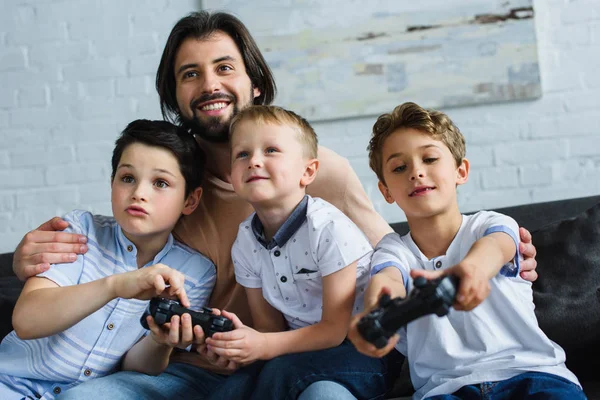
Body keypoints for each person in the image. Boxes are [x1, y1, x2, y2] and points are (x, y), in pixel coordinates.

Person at [11, 11, 539, 400]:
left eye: (224, 67)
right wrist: (27, 259)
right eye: (190, 74)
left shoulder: (313, 168)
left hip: (306, 354)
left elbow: (387, 250)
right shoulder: (172, 179)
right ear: (175, 97)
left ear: (255, 85)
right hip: (194, 363)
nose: (210, 84)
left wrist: (490, 251)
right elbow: (119, 238)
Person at [347, 102, 585, 399]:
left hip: (534, 375)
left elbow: (495, 248)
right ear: (386, 192)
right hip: (446, 390)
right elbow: (387, 282)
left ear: (461, 171)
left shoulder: (491, 224)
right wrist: (376, 313)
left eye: (430, 158)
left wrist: (471, 270)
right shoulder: (392, 250)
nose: (416, 172)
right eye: (399, 167)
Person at [0, 120, 216, 399]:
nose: (139, 193)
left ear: (190, 200)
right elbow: (28, 321)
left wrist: (159, 342)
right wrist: (115, 286)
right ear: (112, 181)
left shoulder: (196, 272)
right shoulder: (80, 230)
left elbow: (135, 367)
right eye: (127, 178)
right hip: (10, 383)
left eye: (160, 183)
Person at [199, 105, 400, 400]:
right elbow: (269, 327)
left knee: (281, 374)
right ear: (232, 175)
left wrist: (263, 346)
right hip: (298, 349)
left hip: (364, 350)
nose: (254, 161)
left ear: (308, 171)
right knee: (229, 389)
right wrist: (241, 344)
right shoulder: (244, 242)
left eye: (271, 150)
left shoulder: (328, 229)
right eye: (242, 154)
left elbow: (334, 330)